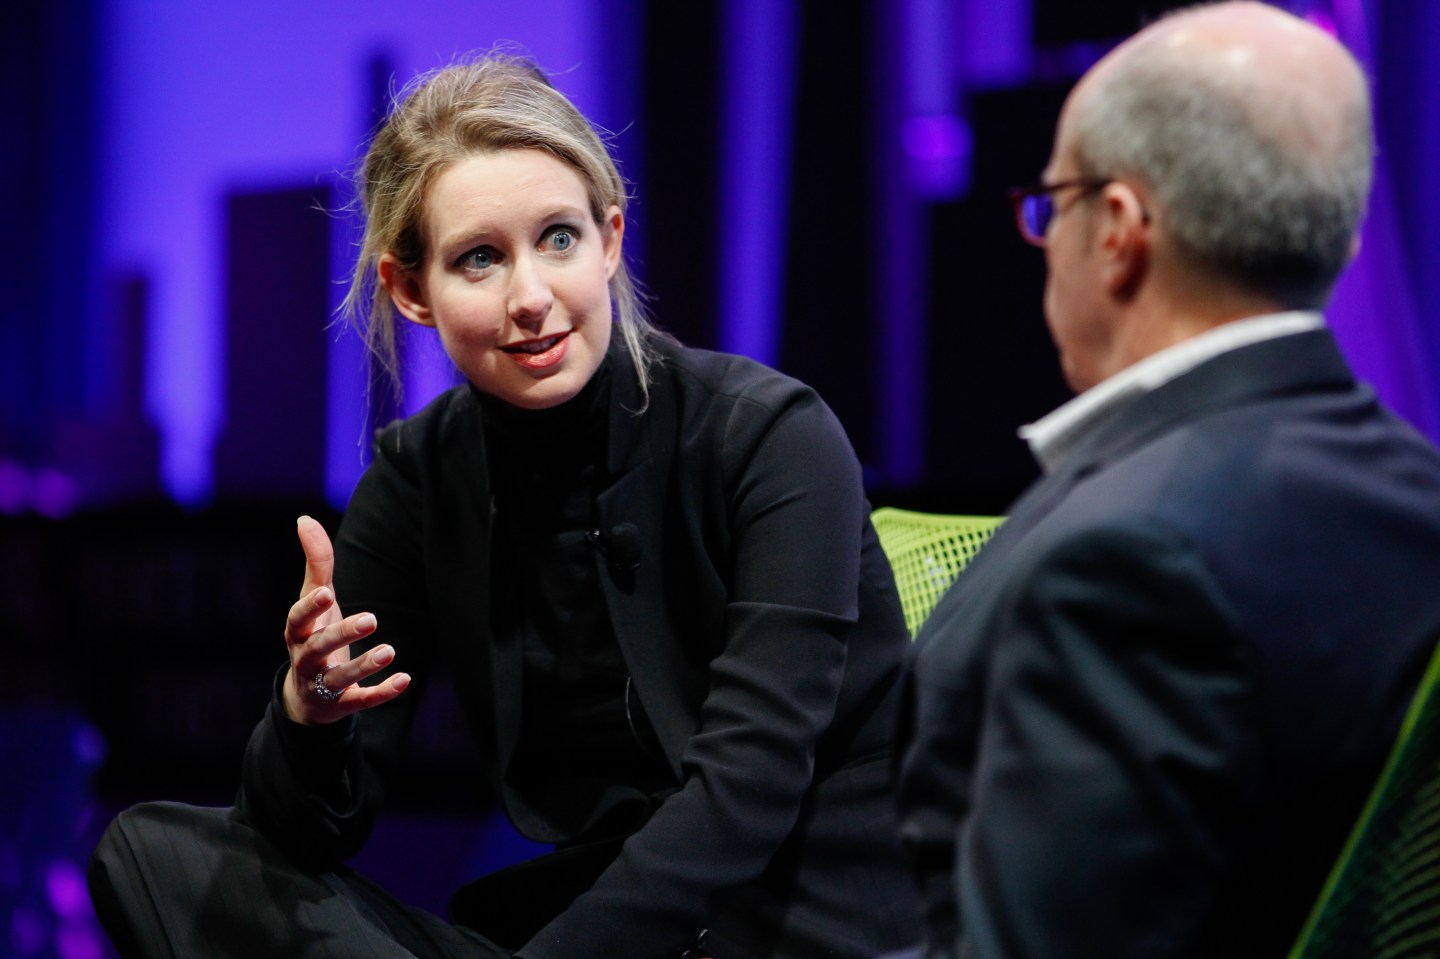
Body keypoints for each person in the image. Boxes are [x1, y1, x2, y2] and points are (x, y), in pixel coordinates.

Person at [88, 53, 919, 959]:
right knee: (156, 855)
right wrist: (307, 716)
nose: (531, 298)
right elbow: (298, 839)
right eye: (479, 258)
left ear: (610, 239)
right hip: (570, 925)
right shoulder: (419, 477)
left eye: (557, 238)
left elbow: (747, 788)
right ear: (410, 290)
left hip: (795, 926)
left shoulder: (771, 436)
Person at [895, 3, 1440, 957]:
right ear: (1344, 239)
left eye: (1048, 204)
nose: (1043, 240)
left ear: (1116, 229)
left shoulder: (1122, 559)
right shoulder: (1417, 491)